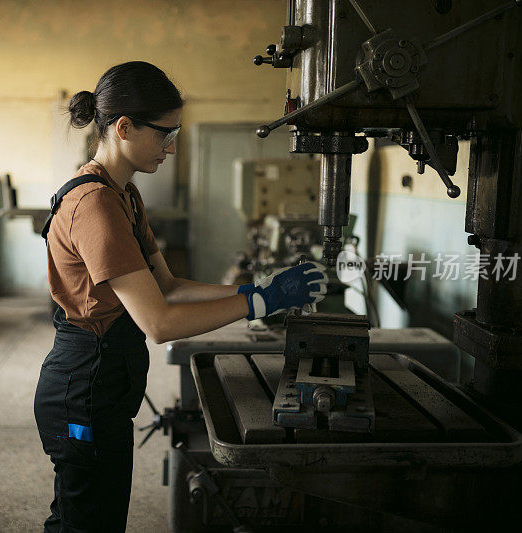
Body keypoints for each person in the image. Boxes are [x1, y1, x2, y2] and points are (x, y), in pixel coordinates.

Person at [34, 61, 327, 533]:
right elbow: (159, 322)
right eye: (164, 134)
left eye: (177, 134)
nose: (171, 148)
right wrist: (260, 305)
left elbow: (168, 285)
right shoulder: (95, 204)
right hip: (82, 390)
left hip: (106, 387)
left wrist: (256, 290)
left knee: (91, 517)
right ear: (124, 127)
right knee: (85, 522)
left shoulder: (124, 194)